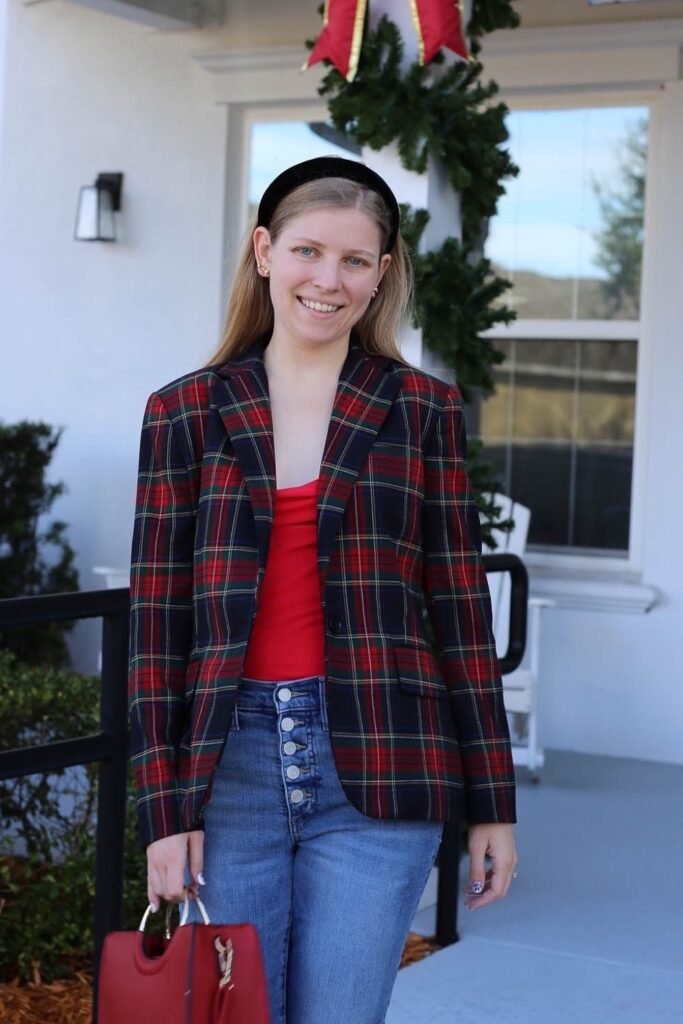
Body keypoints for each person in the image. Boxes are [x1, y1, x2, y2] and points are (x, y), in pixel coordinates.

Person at [128, 156, 517, 1024]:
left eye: (353, 261)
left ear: (381, 277)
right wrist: (164, 810)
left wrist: (493, 802)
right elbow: (157, 630)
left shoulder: (423, 412)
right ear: (265, 253)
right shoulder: (185, 413)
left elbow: (459, 610)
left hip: (379, 767)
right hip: (228, 774)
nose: (327, 280)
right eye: (308, 251)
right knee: (235, 1015)